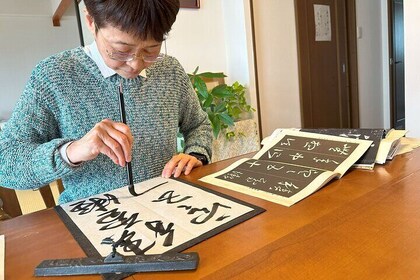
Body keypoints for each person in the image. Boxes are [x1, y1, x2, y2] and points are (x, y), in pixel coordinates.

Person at [0, 0, 212, 204]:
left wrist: (196, 154)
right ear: (91, 21)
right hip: (91, 221)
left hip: (166, 207)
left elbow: (198, 124)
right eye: (121, 50)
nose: (135, 64)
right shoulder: (53, 76)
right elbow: (6, 161)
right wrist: (73, 151)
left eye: (151, 50)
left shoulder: (170, 71)